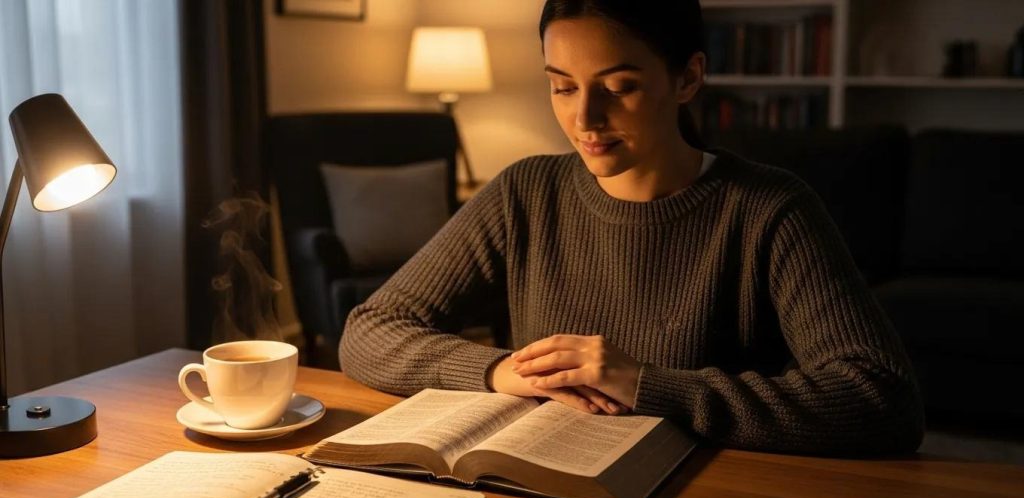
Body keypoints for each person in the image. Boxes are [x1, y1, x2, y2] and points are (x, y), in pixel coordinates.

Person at [340, 0, 924, 455]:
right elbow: (370, 330)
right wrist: (503, 371)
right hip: (550, 488)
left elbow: (882, 399)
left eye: (619, 87)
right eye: (562, 86)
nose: (585, 118)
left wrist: (647, 385)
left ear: (689, 78)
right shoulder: (525, 192)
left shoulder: (770, 209)